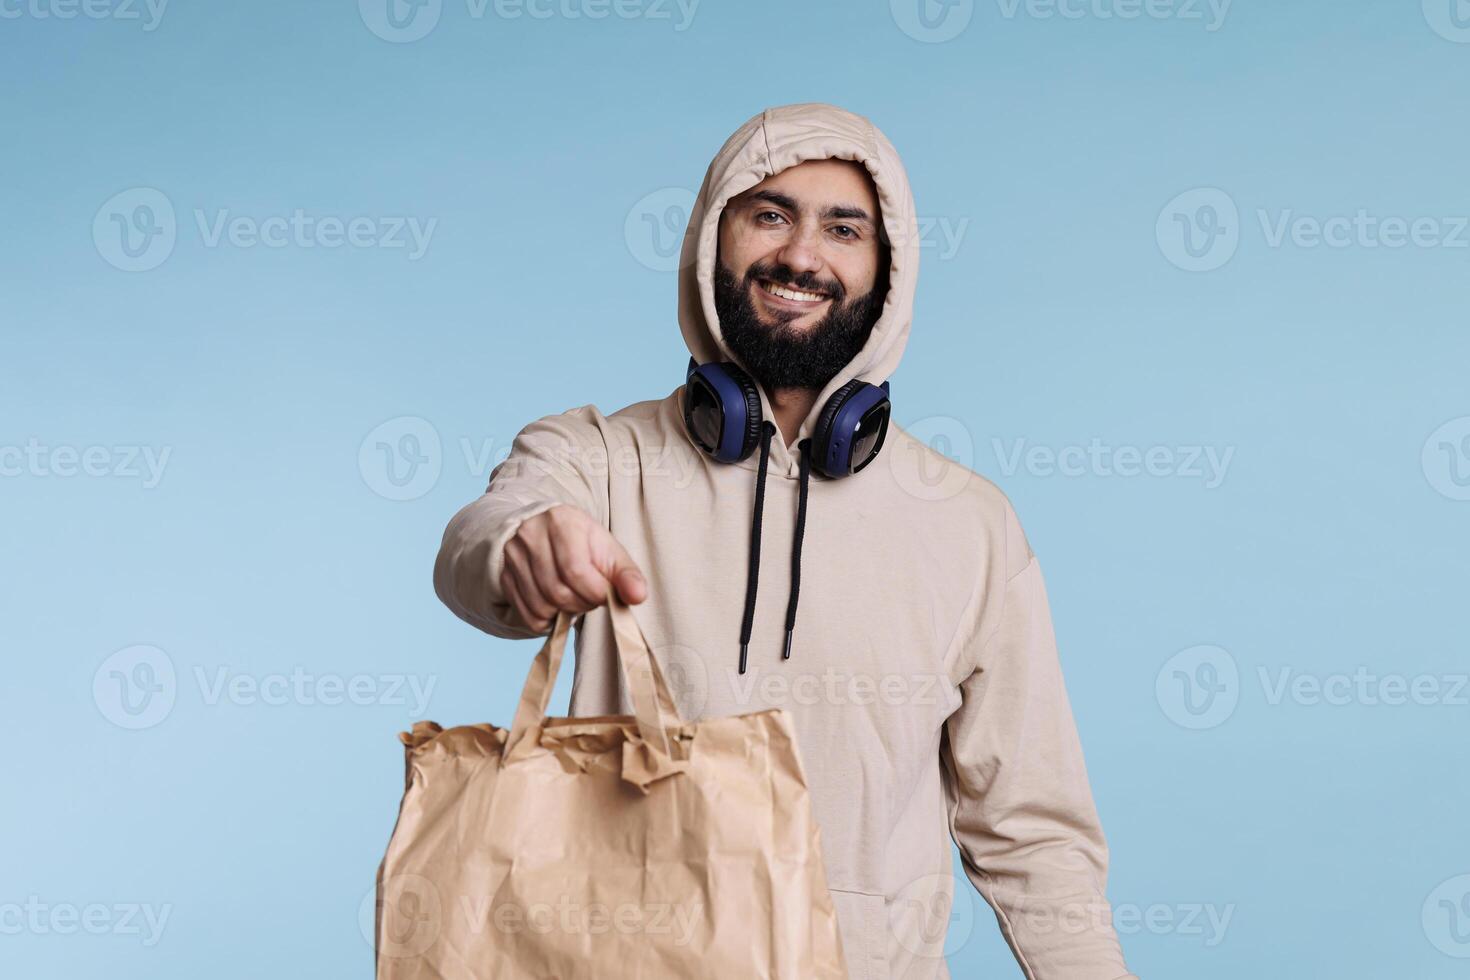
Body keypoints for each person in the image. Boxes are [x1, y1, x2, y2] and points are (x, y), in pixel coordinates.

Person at [434, 102, 1136, 980]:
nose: (801, 255)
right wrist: (523, 546)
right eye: (769, 214)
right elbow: (479, 540)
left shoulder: (972, 523)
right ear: (709, 241)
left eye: (844, 228)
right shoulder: (596, 459)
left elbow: (1034, 831)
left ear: (889, 271)